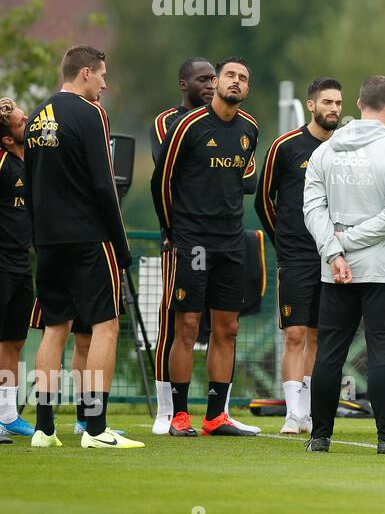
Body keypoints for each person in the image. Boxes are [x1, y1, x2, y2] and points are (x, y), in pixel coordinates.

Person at [24, 45, 139, 449]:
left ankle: (42, 428)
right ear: (85, 73)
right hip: (89, 237)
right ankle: (95, 429)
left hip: (48, 240)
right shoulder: (91, 114)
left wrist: (37, 235)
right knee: (106, 326)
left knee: (55, 328)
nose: (105, 84)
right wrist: (120, 244)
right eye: (102, 75)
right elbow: (103, 183)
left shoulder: (37, 116)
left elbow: (30, 177)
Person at [302, 75, 385, 455]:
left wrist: (334, 251)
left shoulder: (325, 151)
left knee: (329, 352)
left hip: (335, 268)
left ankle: (320, 436)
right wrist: (343, 245)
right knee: (383, 352)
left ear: (357, 103)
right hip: (382, 267)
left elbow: (312, 209)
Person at [151, 56, 259, 437]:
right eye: (229, 75)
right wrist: (172, 230)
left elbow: (244, 183)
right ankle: (179, 417)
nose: (235, 82)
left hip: (232, 242)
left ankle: (216, 416)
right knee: (188, 324)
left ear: (247, 88)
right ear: (216, 81)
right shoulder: (187, 126)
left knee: (227, 328)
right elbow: (161, 183)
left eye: (243, 78)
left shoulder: (250, 129)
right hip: (193, 242)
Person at [255, 77, 343, 435]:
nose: (334, 109)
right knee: (294, 333)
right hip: (295, 255)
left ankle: (307, 410)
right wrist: (284, 239)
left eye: (338, 103)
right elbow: (263, 198)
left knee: (320, 334)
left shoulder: (344, 148)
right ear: (311, 105)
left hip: (332, 254)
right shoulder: (286, 146)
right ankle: (292, 415)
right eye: (327, 102)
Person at [148, 57, 216, 434]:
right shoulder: (166, 122)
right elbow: (167, 169)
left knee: (219, 323)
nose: (209, 84)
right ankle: (165, 410)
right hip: (180, 237)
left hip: (219, 239)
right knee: (173, 319)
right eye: (202, 79)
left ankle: (215, 411)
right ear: (183, 83)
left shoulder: (227, 123)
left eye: (213, 79)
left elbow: (244, 180)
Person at [0, 98, 33, 438]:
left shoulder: (32, 163)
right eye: (23, 123)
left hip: (21, 262)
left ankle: (7, 415)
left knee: (14, 340)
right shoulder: (2, 163)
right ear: (8, 139)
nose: (30, 124)